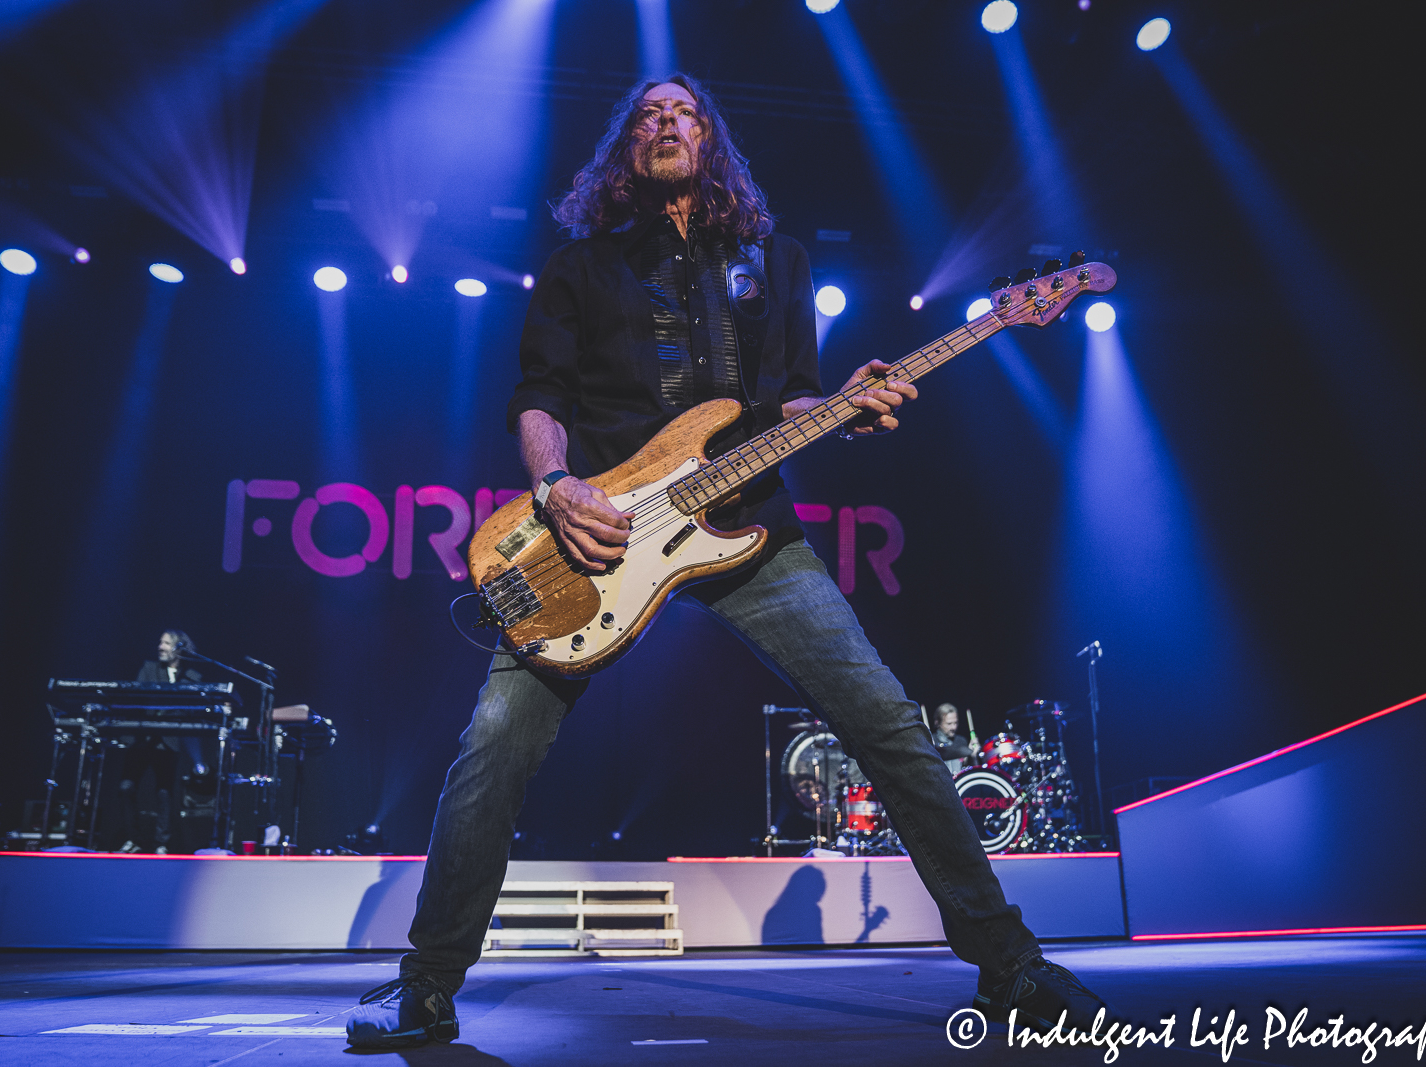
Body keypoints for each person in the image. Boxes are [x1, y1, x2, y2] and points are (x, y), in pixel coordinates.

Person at [348, 74, 1110, 1048]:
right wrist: (556, 488)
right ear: (626, 149)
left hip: (752, 532)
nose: (667, 122)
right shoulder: (580, 268)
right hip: (601, 537)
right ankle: (426, 978)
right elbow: (535, 396)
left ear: (711, 144)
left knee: (886, 720)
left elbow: (792, 401)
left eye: (686, 112)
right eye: (648, 115)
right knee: (492, 740)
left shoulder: (774, 261)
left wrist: (849, 403)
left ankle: (1009, 964)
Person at [113, 630, 202, 853]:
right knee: (126, 787)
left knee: (164, 793)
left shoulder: (192, 676)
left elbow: (193, 710)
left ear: (179, 648)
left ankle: (161, 842)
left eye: (165, 643)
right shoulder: (149, 668)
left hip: (168, 742)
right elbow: (139, 696)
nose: (160, 647)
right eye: (160, 642)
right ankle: (133, 839)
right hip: (142, 738)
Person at [932, 702, 976, 772]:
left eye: (955, 723)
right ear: (937, 723)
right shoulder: (932, 742)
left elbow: (969, 767)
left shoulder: (962, 741)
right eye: (949, 724)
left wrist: (972, 755)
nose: (953, 727)